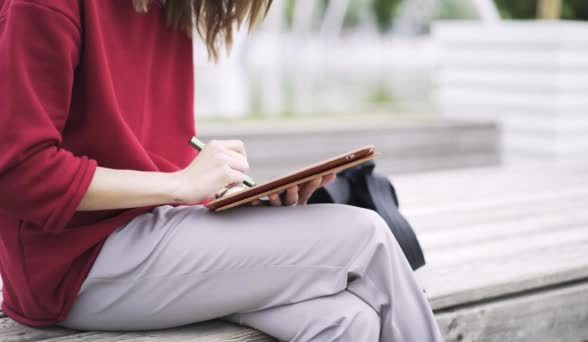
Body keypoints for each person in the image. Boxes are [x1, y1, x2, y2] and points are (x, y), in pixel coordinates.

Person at [0, 0, 443, 341]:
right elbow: (18, 171)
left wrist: (237, 198)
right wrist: (180, 182)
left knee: (346, 320)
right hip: (73, 266)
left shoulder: (164, 9)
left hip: (154, 236)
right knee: (366, 236)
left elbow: (155, 158)